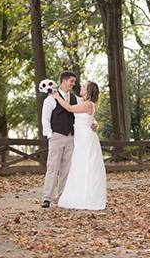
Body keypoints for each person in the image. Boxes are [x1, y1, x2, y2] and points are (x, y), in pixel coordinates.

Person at [54, 81, 107, 210]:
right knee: (80, 166)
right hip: (83, 138)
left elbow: (70, 108)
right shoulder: (87, 104)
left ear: (89, 90)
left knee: (84, 166)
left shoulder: (88, 104)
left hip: (85, 139)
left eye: (84, 86)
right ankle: (82, 195)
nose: (81, 87)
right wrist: (96, 123)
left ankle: (85, 198)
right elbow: (90, 119)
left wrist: (56, 97)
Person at [41, 71, 78, 208]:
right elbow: (45, 118)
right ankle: (47, 198)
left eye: (74, 81)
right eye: (71, 81)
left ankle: (62, 196)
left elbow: (82, 112)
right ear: (63, 80)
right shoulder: (50, 99)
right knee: (52, 168)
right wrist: (50, 135)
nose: (73, 84)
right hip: (56, 136)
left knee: (66, 169)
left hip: (71, 137)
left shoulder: (75, 98)